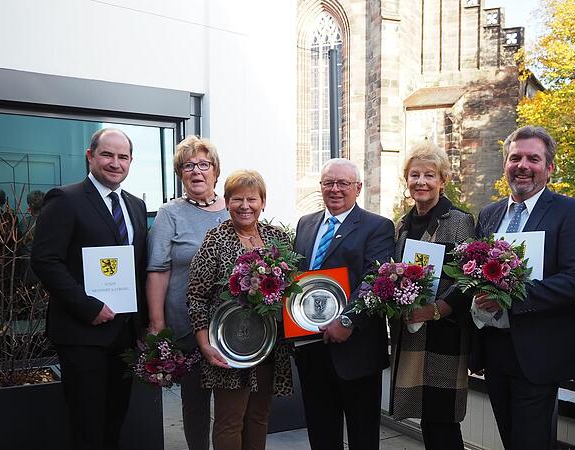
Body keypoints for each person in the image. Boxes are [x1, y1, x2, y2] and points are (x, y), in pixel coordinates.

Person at [470, 126, 575, 450]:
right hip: (495, 350)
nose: (523, 165)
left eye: (533, 158)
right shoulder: (489, 214)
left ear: (549, 168)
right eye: (515, 157)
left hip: (539, 353)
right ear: (505, 165)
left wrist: (509, 299)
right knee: (511, 440)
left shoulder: (571, 211)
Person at [31, 128, 148, 450]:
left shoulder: (136, 206)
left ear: (130, 162)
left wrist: (146, 324)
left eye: (122, 157)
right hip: (83, 334)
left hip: (124, 333)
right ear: (90, 156)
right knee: (86, 424)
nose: (115, 163)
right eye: (107, 155)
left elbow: (138, 268)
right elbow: (45, 261)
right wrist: (88, 306)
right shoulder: (65, 199)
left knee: (115, 419)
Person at [293, 158, 394, 450]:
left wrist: (348, 320)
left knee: (363, 436)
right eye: (328, 183)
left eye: (343, 183)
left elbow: (375, 280)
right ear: (321, 186)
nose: (335, 189)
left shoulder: (378, 227)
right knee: (322, 434)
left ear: (358, 188)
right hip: (312, 348)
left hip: (356, 351)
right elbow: (300, 278)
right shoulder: (306, 223)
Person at [187, 170, 293, 450]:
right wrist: (204, 344)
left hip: (269, 346)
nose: (245, 206)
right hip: (228, 346)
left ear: (263, 202)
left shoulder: (277, 239)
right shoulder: (216, 239)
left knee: (259, 417)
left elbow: (293, 289)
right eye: (237, 200)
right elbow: (196, 295)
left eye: (252, 199)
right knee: (229, 420)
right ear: (226, 202)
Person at [389, 142, 475, 450]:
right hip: (410, 332)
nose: (421, 182)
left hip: (444, 336)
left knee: (443, 421)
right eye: (414, 175)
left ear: (442, 180)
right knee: (426, 419)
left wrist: (437, 309)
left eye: (429, 175)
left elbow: (469, 279)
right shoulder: (401, 225)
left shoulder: (459, 221)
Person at [146, 136, 229, 450]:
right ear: (180, 173)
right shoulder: (170, 213)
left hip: (230, 324)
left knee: (230, 403)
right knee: (195, 402)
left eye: (204, 164)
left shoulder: (234, 208)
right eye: (188, 165)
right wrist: (157, 324)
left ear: (216, 171)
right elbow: (158, 268)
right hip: (185, 324)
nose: (197, 171)